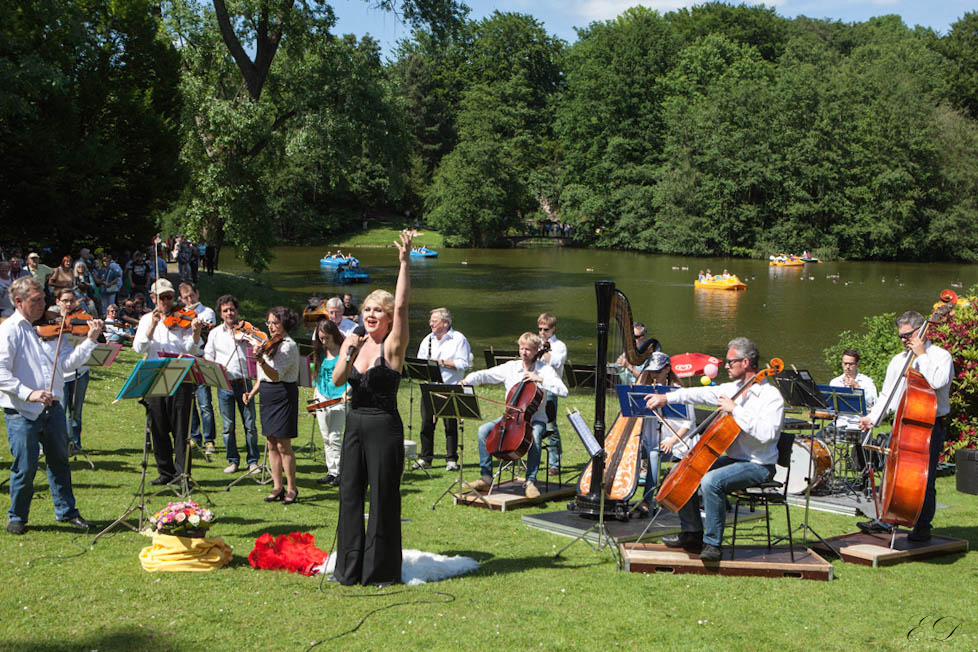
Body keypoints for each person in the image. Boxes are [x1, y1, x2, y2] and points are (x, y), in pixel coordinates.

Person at [645, 337, 783, 561]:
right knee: (685, 470)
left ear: (745, 362)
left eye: (730, 362)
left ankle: (712, 544)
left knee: (711, 481)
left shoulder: (771, 397)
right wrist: (666, 397)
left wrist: (736, 410)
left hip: (759, 464)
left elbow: (768, 434)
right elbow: (696, 394)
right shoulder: (733, 388)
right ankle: (692, 533)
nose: (726, 366)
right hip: (735, 460)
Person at [331, 230, 413, 586]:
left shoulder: (393, 345)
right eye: (365, 309)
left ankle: (379, 571)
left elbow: (404, 305)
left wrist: (405, 262)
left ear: (389, 316)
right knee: (349, 494)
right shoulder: (356, 342)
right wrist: (347, 351)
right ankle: (347, 570)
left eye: (378, 309)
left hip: (383, 426)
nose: (370, 314)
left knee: (382, 498)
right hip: (354, 424)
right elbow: (336, 380)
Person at [0, 276, 103, 534]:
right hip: (22, 411)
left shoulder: (52, 327)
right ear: (19, 301)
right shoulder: (9, 329)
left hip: (53, 408)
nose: (44, 305)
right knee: (25, 466)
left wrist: (90, 340)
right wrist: (29, 393)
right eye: (36, 301)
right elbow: (1, 371)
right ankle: (18, 516)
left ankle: (67, 512)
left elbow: (68, 364)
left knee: (60, 462)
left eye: (44, 299)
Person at [857, 311, 954, 542]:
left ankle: (922, 526)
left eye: (907, 335)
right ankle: (888, 517)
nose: (903, 340)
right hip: (901, 424)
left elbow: (936, 383)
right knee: (893, 473)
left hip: (929, 427)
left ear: (921, 331)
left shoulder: (940, 356)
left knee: (923, 479)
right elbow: (888, 394)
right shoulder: (898, 360)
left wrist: (921, 356)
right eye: (901, 336)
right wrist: (873, 417)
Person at [462, 332, 568, 499]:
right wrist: (468, 380)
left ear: (536, 351)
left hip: (536, 419)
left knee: (534, 436)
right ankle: (486, 477)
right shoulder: (511, 367)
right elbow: (486, 374)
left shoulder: (545, 370)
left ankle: (530, 481)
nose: (524, 352)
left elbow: (564, 391)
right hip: (511, 417)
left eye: (528, 349)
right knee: (483, 431)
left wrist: (540, 379)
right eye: (521, 348)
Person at [132, 278, 205, 485]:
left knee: (181, 428)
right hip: (155, 376)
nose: (166, 302)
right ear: (153, 298)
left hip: (180, 376)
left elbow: (191, 349)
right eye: (162, 298)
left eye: (170, 297)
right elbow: (139, 348)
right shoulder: (147, 319)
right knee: (158, 428)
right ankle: (165, 472)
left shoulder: (183, 317)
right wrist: (153, 325)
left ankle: (183, 475)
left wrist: (196, 331)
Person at [244, 306, 300, 503]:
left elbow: (275, 375)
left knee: (284, 444)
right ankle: (277, 486)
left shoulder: (288, 346)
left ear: (284, 324)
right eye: (269, 323)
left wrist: (260, 359)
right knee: (270, 443)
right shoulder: (267, 343)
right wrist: (251, 393)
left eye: (275, 323)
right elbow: (263, 378)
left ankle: (292, 488)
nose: (271, 327)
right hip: (267, 394)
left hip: (283, 393)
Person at [203, 294, 259, 475]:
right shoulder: (214, 333)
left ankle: (253, 461)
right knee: (228, 427)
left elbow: (261, 347)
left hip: (244, 383)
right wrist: (217, 370)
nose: (229, 313)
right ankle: (233, 460)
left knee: (250, 425)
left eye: (232, 309)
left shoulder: (247, 330)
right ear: (220, 313)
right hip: (225, 383)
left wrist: (250, 340)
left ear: (237, 311)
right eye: (225, 310)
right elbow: (208, 357)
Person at [635, 352, 695, 516]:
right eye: (652, 372)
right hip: (652, 438)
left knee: (654, 455)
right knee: (632, 453)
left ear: (668, 369)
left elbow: (688, 424)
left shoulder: (680, 392)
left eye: (658, 371)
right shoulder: (644, 391)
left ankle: (647, 500)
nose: (654, 375)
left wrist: (671, 441)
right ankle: (622, 493)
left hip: (678, 441)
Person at [414, 307, 470, 470]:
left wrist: (441, 362)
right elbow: (420, 362)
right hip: (430, 387)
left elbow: (463, 364)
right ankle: (426, 458)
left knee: (450, 425)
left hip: (449, 387)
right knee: (426, 424)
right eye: (430, 320)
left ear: (445, 323)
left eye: (434, 321)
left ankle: (451, 459)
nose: (430, 323)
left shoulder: (458, 339)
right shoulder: (427, 340)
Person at [52, 289, 94, 451]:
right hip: (60, 373)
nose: (68, 304)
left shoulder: (83, 319)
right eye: (64, 301)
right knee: (59, 410)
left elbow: (97, 340)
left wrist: (94, 331)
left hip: (80, 371)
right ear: (58, 302)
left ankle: (75, 443)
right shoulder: (51, 321)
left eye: (71, 300)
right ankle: (58, 444)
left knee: (76, 411)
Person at [179, 282, 217, 455]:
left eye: (191, 296)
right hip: (186, 359)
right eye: (185, 297)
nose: (189, 300)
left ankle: (209, 440)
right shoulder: (179, 314)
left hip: (201, 357)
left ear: (197, 294)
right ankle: (195, 437)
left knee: (205, 402)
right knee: (190, 401)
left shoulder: (207, 312)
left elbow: (207, 334)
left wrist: (194, 323)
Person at [311, 319, 348, 486]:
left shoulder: (344, 352)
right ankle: (331, 471)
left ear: (334, 335)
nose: (323, 341)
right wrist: (315, 398)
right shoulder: (320, 352)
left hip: (339, 398)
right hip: (322, 397)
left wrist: (347, 393)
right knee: (326, 436)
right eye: (321, 338)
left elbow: (350, 376)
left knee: (335, 436)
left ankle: (340, 472)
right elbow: (318, 378)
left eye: (326, 338)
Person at [537, 312, 567, 475]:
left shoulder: (559, 346)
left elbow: (556, 362)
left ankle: (554, 463)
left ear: (553, 329)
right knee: (530, 423)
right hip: (534, 387)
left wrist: (544, 350)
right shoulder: (535, 341)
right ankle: (528, 458)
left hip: (550, 389)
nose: (542, 333)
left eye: (546, 329)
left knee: (550, 425)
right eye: (540, 329)